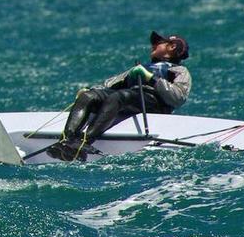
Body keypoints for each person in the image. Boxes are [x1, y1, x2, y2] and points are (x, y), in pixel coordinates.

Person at [48, 31, 192, 162]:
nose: (152, 45)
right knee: (88, 96)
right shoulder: (143, 67)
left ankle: (84, 143)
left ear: (172, 47)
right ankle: (67, 140)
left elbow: (178, 98)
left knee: (120, 96)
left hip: (153, 103)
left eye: (158, 43)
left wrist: (152, 79)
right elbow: (109, 84)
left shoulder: (180, 71)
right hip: (128, 96)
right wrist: (92, 90)